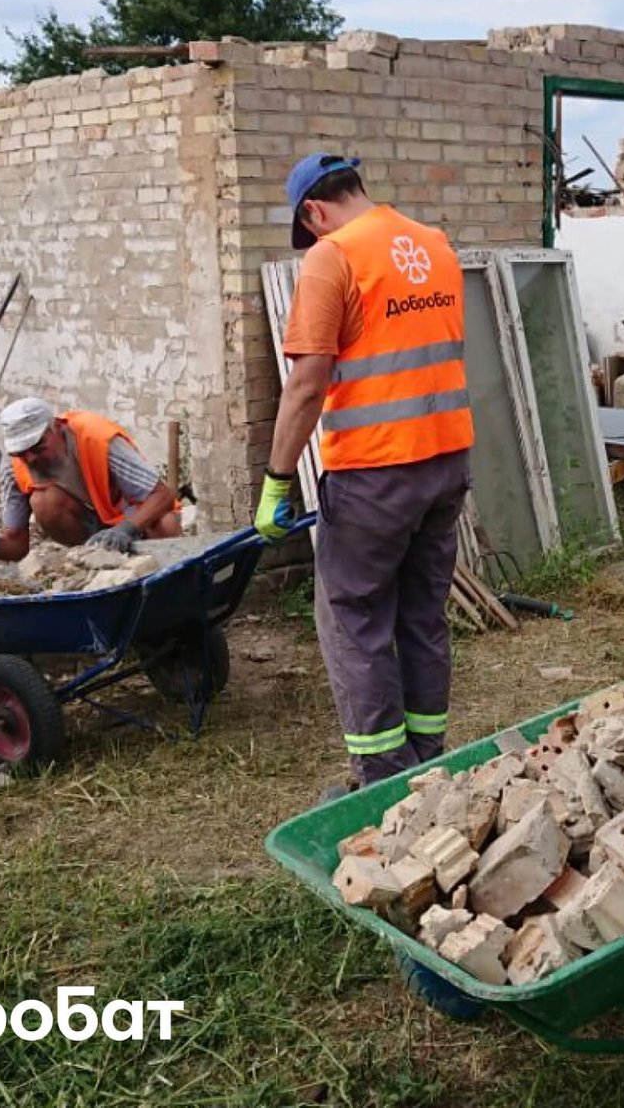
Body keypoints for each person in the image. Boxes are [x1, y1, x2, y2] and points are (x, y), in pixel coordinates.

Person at [256, 153, 474, 786]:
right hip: (446, 463)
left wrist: (277, 481)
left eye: (309, 229)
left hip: (375, 473)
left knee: (353, 618)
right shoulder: (433, 245)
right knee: (422, 616)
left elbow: (306, 385)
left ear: (313, 211)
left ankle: (382, 778)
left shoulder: (334, 257)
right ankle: (428, 763)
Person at [0, 397, 182, 561]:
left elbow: (162, 495)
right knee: (43, 502)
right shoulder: (12, 465)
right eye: (21, 453)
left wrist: (127, 529)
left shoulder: (96, 438)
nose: (30, 458)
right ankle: (92, 558)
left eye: (38, 447)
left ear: (57, 427)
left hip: (131, 519)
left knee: (165, 523)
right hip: (90, 528)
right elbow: (16, 546)